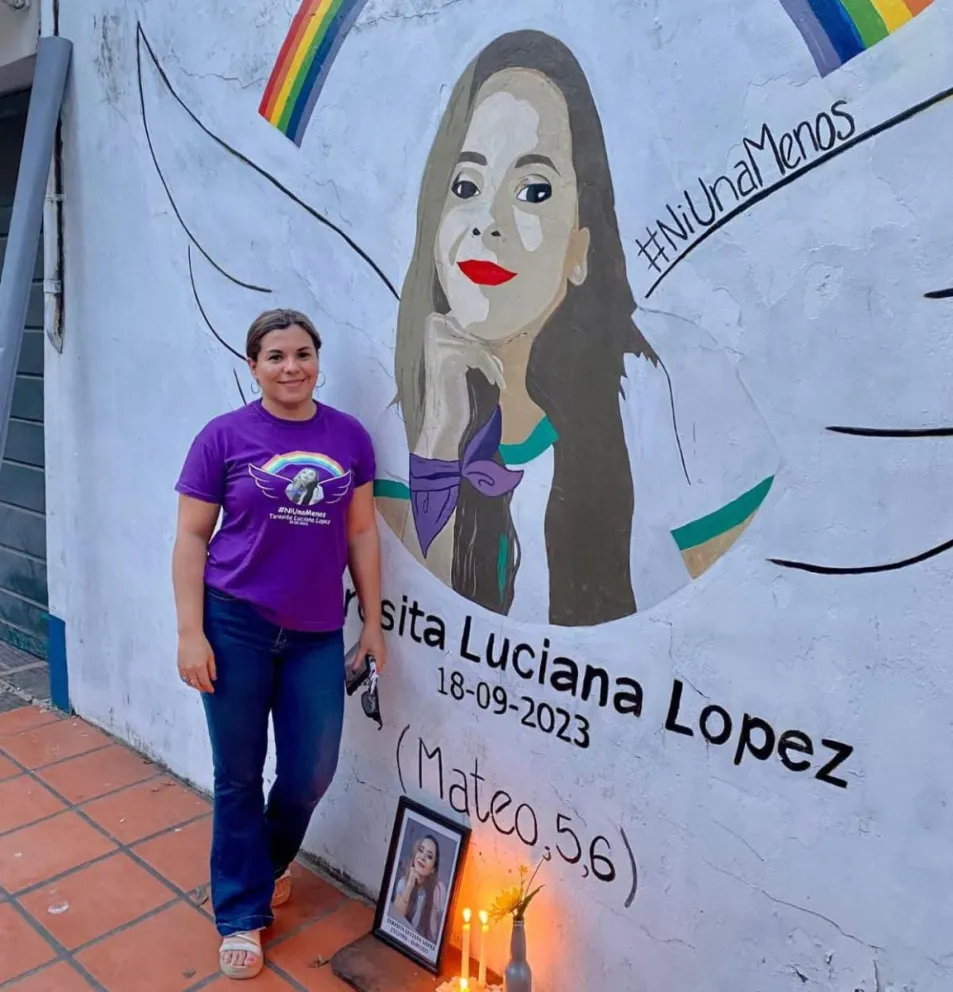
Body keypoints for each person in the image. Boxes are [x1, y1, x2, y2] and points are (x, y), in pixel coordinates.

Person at [373, 30, 776, 627]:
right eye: (466, 187)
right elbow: (428, 627)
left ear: (580, 248)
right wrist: (438, 442)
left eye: (533, 191)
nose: (488, 221)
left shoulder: (669, 379)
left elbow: (748, 615)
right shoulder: (403, 417)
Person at [172, 308, 386, 980]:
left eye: (302, 354)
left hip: (315, 634)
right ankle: (241, 912)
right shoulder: (223, 437)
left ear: (317, 361)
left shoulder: (348, 437)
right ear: (253, 365)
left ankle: (261, 863)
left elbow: (360, 533)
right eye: (275, 356)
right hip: (234, 623)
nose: (291, 367)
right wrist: (190, 633)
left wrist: (373, 622)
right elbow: (191, 538)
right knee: (238, 773)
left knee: (309, 773)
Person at [390, 835, 446, 943]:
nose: (422, 857)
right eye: (420, 850)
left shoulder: (439, 890)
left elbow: (439, 934)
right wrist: (410, 885)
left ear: (433, 869)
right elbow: (395, 919)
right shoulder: (403, 883)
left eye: (429, 856)